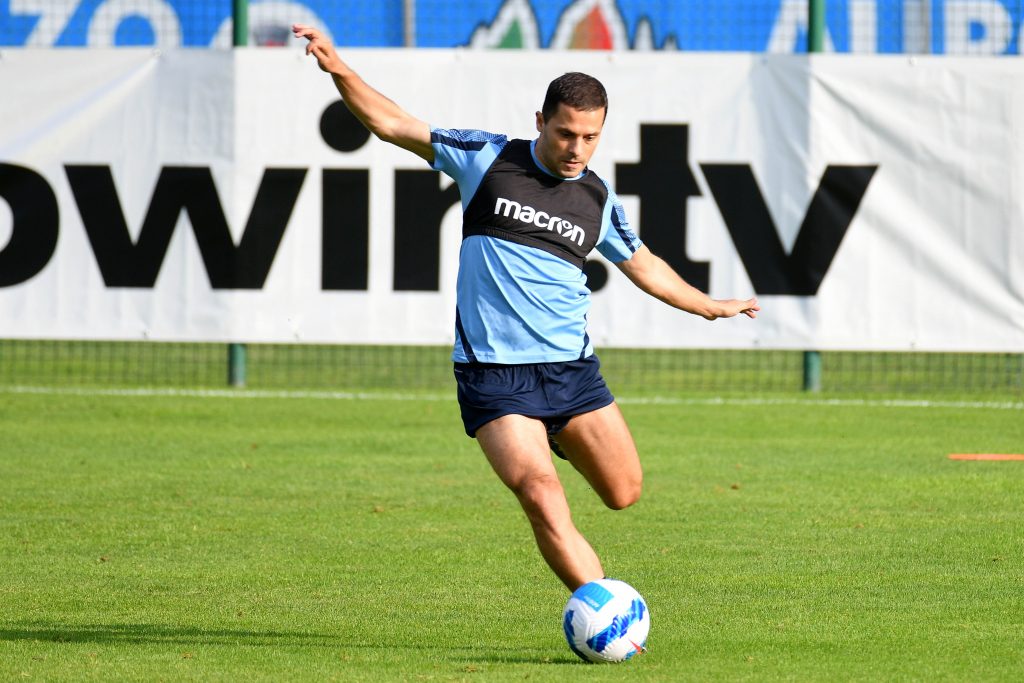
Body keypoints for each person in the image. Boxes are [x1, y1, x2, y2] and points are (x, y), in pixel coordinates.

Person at [294, 24, 759, 592]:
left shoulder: (596, 198)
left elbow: (645, 265)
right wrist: (338, 67)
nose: (577, 149)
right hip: (494, 375)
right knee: (541, 493)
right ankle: (602, 612)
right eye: (566, 134)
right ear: (540, 121)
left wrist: (709, 307)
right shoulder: (487, 159)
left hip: (571, 370)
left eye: (590, 137)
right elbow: (393, 123)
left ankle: (556, 434)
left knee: (624, 492)